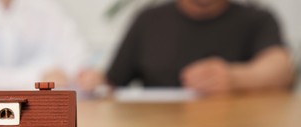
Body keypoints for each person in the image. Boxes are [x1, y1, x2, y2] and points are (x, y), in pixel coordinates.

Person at [106, 0, 294, 94]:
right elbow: (112, 81)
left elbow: (281, 68)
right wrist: (93, 82)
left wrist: (235, 77)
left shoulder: (257, 18)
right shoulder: (147, 19)